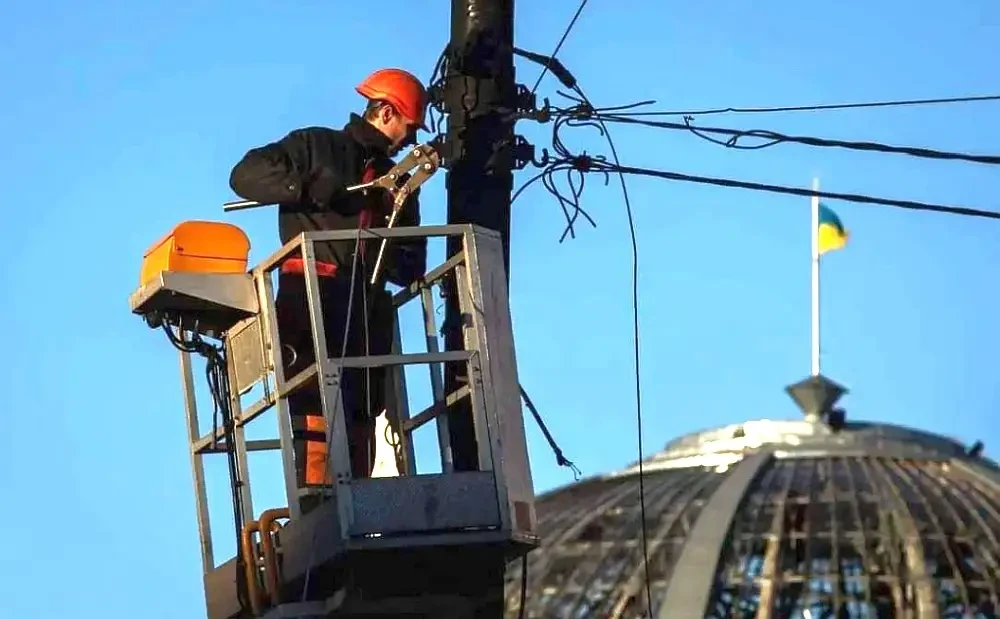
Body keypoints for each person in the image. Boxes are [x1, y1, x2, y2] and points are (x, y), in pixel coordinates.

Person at [228, 68, 429, 492]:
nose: (410, 140)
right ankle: (316, 500)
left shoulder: (398, 182)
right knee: (313, 404)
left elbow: (410, 266)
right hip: (311, 298)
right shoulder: (316, 147)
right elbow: (244, 175)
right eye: (409, 127)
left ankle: (356, 496)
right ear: (386, 112)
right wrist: (304, 188)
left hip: (364, 310)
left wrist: (395, 220)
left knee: (361, 412)